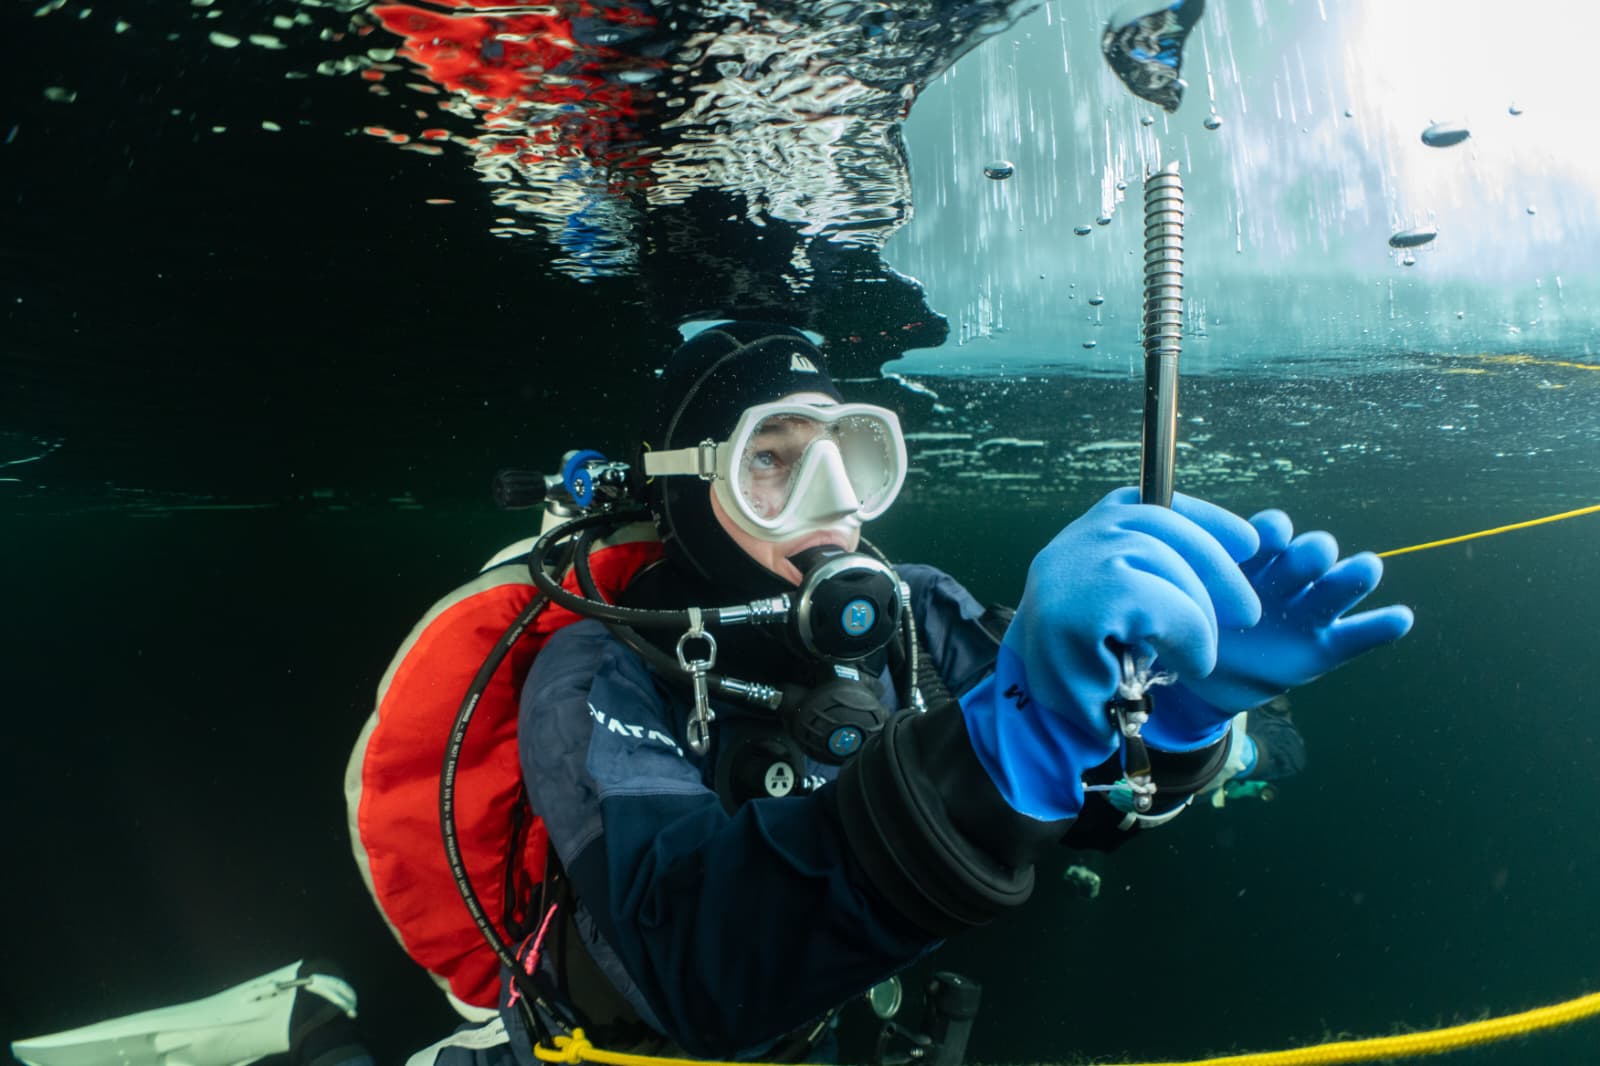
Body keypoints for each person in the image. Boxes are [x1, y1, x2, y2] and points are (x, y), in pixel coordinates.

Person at [429, 320, 1411, 1064]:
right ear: (688, 485)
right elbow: (690, 970)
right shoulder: (599, 670)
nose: (830, 502)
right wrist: (995, 751)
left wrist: (1179, 714)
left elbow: (1082, 801)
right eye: (772, 459)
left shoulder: (914, 610)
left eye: (848, 457)